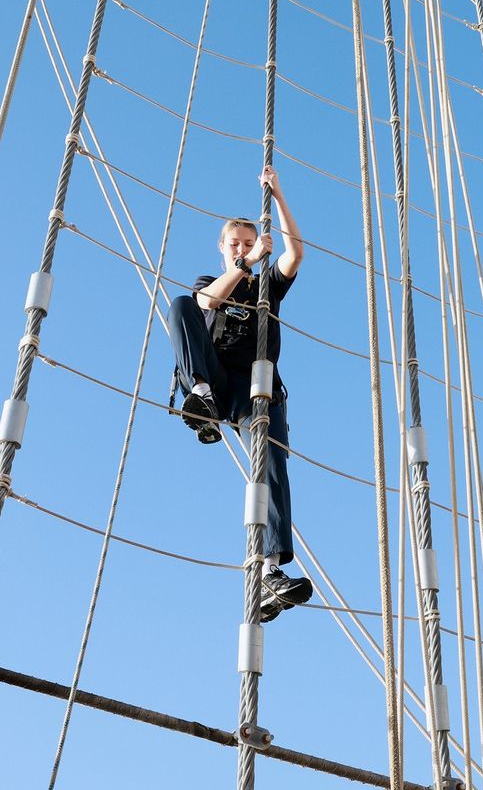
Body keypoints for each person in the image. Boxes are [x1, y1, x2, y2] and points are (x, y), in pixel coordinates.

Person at [168, 166, 314, 623]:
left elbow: (296, 253)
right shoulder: (213, 281)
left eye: (249, 243)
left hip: (257, 385)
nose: (242, 248)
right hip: (217, 378)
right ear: (223, 246)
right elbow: (208, 303)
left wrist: (278, 193)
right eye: (235, 243)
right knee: (180, 306)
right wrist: (242, 266)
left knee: (272, 462)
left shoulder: (267, 285)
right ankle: (201, 398)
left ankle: (270, 572)